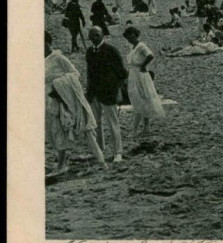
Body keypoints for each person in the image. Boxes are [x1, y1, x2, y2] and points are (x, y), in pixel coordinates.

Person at [44, 31, 107, 176]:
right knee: (56, 131)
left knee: (83, 127)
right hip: (51, 101)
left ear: (46, 43)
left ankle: (101, 162)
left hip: (66, 100)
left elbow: (74, 73)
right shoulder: (41, 60)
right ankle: (61, 163)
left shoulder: (58, 58)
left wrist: (57, 86)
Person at [85, 27, 127, 163]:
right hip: (93, 93)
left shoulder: (111, 50)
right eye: (91, 35)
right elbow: (89, 73)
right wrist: (89, 91)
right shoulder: (89, 51)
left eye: (97, 35)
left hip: (109, 93)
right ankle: (99, 150)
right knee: (95, 124)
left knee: (113, 123)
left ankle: (118, 152)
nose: (94, 38)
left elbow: (122, 72)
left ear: (102, 35)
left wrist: (116, 89)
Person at [122, 26, 165, 139]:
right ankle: (144, 128)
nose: (129, 38)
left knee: (142, 99)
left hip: (140, 75)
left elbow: (150, 56)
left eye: (131, 35)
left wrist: (143, 65)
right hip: (133, 74)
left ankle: (139, 129)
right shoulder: (133, 48)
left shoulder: (141, 46)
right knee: (137, 100)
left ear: (135, 34)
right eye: (128, 36)